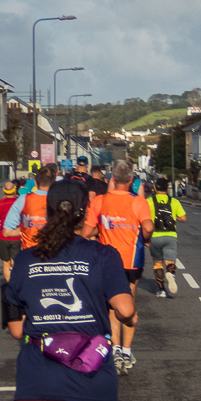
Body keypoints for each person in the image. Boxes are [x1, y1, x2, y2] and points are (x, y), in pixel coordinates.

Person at [5, 180, 135, 401]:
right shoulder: (103, 255)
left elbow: (16, 330)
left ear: (47, 212)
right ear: (84, 213)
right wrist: (131, 318)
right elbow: (125, 309)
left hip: (38, 383)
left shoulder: (25, 260)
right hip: (93, 381)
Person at [81, 160, 152, 375]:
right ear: (131, 180)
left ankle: (116, 350)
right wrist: (144, 238)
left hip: (106, 262)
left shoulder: (100, 201)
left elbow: (85, 233)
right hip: (132, 261)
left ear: (112, 179)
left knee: (111, 307)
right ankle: (127, 352)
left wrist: (100, 232)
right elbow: (148, 226)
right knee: (129, 304)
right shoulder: (138, 202)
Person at [147, 177, 187, 298]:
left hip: (155, 236)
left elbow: (144, 217)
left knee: (157, 263)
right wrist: (175, 217)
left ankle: (161, 290)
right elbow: (184, 218)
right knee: (170, 261)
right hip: (170, 236)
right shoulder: (174, 201)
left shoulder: (149, 201)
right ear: (168, 189)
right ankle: (171, 274)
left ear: (154, 188)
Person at [5, 165, 56, 250]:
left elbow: (7, 232)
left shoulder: (23, 199)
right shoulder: (58, 200)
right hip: (53, 252)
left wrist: (24, 229)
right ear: (54, 182)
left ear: (35, 182)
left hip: (29, 253)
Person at [0, 180, 22, 281]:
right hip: (16, 236)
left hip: (2, 236)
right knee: (15, 261)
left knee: (5, 262)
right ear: (14, 191)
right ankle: (16, 281)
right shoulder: (19, 203)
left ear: (3, 192)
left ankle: (9, 283)